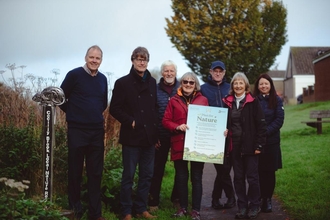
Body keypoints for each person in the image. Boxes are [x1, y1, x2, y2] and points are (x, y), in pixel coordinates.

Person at [109, 47, 158, 220]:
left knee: (147, 175)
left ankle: (141, 208)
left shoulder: (152, 82)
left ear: (147, 62)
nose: (141, 62)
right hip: (132, 137)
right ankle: (126, 211)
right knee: (128, 176)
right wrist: (131, 121)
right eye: (138, 59)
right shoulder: (122, 83)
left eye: (144, 59)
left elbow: (155, 109)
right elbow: (114, 108)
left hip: (149, 138)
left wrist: (155, 134)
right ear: (132, 61)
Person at [59, 45, 108, 220]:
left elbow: (103, 103)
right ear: (86, 57)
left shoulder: (102, 79)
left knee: (95, 173)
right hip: (77, 130)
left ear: (101, 60)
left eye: (98, 58)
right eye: (91, 57)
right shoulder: (74, 75)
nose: (94, 61)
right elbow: (60, 98)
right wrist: (74, 113)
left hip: (96, 131)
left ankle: (95, 214)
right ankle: (75, 211)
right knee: (75, 170)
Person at [162, 72, 209, 220]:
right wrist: (177, 127)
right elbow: (165, 120)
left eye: (191, 82)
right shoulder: (173, 100)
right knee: (181, 177)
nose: (188, 84)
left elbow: (210, 121)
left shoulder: (203, 100)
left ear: (195, 85)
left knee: (196, 177)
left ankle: (196, 210)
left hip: (197, 145)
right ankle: (182, 208)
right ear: (181, 83)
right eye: (185, 82)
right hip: (179, 143)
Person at [222, 72, 267, 219]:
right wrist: (224, 130)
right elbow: (223, 122)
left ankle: (255, 205)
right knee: (238, 178)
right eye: (236, 83)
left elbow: (261, 125)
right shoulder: (227, 102)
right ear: (232, 86)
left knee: (252, 178)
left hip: (250, 147)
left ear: (246, 85)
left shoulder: (253, 102)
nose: (238, 85)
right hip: (234, 147)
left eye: (241, 83)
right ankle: (242, 206)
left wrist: (259, 145)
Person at [200, 60, 236, 210]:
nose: (218, 73)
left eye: (220, 71)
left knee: (225, 168)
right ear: (210, 71)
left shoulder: (230, 88)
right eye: (215, 70)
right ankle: (229, 197)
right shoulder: (203, 89)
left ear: (224, 73)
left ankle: (217, 199)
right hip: (213, 136)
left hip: (230, 134)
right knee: (222, 168)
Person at [148, 60, 180, 212]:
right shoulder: (154, 89)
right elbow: (151, 113)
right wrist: (154, 136)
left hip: (178, 135)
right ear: (162, 73)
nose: (169, 73)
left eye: (171, 71)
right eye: (166, 71)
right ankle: (153, 200)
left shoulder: (182, 88)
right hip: (160, 135)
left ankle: (177, 199)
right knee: (157, 168)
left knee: (180, 169)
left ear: (175, 72)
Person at [253, 74, 284, 213]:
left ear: (270, 85)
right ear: (257, 86)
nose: (264, 86)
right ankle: (258, 198)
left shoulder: (277, 100)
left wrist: (265, 132)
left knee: (269, 172)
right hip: (257, 142)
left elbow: (279, 120)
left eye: (266, 84)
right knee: (258, 171)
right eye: (261, 84)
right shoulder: (253, 100)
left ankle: (267, 199)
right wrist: (258, 135)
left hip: (271, 142)